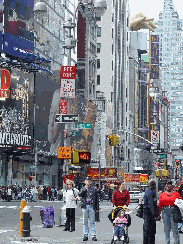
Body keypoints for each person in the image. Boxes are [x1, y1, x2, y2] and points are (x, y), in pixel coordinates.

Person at [78, 177, 99, 241]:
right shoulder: (83, 188)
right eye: (86, 181)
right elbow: (80, 194)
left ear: (90, 182)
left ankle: (93, 235)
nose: (88, 182)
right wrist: (85, 189)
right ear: (85, 182)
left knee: (92, 221)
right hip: (85, 206)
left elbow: (97, 199)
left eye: (89, 181)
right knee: (85, 221)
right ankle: (85, 235)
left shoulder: (94, 189)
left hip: (92, 206)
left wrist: (97, 208)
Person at [143, 179, 159, 244]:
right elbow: (151, 205)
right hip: (149, 215)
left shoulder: (148, 191)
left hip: (147, 214)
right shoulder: (151, 193)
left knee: (147, 231)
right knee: (150, 232)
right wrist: (156, 215)